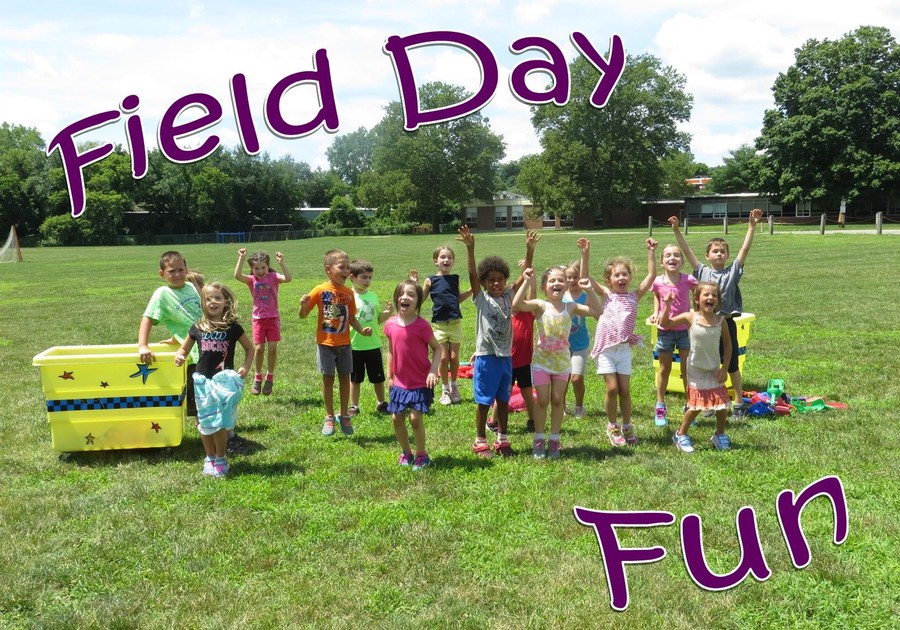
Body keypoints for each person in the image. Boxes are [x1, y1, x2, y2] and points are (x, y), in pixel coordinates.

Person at [669, 208, 763, 415]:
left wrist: (752, 225)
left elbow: (745, 250)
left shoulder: (732, 272)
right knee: (706, 364)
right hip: (703, 326)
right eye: (715, 251)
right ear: (707, 255)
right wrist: (676, 230)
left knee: (731, 364)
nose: (719, 254)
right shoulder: (701, 271)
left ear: (727, 255)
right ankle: (707, 401)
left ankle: (738, 402)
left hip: (725, 324)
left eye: (723, 251)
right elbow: (687, 252)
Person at [457, 226, 535, 457]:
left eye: (500, 279)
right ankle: (480, 440)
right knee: (484, 401)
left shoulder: (510, 295)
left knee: (503, 399)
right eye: (490, 280)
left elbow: (525, 275)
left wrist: (529, 250)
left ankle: (502, 439)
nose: (496, 284)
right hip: (486, 358)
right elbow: (471, 275)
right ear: (483, 283)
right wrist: (471, 249)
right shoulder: (481, 298)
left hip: (505, 358)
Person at [513, 259, 602, 459]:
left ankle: (554, 439)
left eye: (561, 280)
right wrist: (527, 281)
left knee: (557, 399)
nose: (557, 283)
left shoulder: (570, 307)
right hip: (541, 363)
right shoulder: (539, 305)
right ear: (545, 286)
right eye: (552, 280)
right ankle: (538, 438)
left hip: (562, 364)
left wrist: (590, 291)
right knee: (543, 400)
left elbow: (598, 311)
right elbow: (516, 304)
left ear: (566, 285)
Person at [174, 282, 254, 477]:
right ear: (203, 302)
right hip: (202, 383)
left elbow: (250, 348)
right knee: (205, 423)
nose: (212, 302)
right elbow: (185, 348)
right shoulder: (197, 327)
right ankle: (209, 457)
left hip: (224, 383)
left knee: (220, 423)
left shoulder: (233, 328)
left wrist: (246, 366)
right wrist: (180, 355)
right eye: (208, 298)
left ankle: (220, 458)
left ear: (225, 301)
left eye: (217, 298)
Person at [590, 239, 658, 447]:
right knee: (612, 389)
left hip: (624, 350)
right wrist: (585, 255)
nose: (621, 278)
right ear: (609, 281)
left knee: (625, 390)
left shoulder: (634, 296)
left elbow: (651, 276)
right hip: (606, 349)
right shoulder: (607, 295)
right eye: (616, 275)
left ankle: (627, 425)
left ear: (629, 278)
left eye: (624, 274)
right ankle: (612, 425)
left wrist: (650, 251)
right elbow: (586, 279)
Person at [299, 249, 372, 436]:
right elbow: (303, 315)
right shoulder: (320, 290)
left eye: (348, 267)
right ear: (328, 269)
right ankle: (329, 416)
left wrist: (361, 330)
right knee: (328, 380)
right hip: (326, 344)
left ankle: (344, 415)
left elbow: (352, 319)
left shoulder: (348, 293)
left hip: (345, 344)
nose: (346, 271)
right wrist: (303, 305)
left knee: (345, 379)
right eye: (342, 267)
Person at [658, 282, 733, 452]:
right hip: (696, 370)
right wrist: (668, 305)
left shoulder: (721, 321)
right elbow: (666, 324)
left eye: (714, 295)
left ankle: (719, 434)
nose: (710, 298)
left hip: (714, 369)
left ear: (718, 300)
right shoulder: (690, 317)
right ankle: (680, 434)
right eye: (706, 295)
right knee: (696, 406)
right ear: (697, 299)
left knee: (721, 406)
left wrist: (724, 368)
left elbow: (728, 346)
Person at [383, 279, 443, 471]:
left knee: (415, 419)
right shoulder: (391, 324)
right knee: (396, 418)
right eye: (401, 293)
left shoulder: (422, 326)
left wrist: (433, 370)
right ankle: (406, 453)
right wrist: (389, 375)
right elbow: (391, 350)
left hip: (419, 381)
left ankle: (422, 455)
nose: (405, 297)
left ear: (418, 302)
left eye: (410, 294)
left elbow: (438, 348)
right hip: (400, 381)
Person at [409, 245, 471, 405]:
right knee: (443, 358)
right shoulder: (431, 280)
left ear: (453, 261)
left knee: (454, 357)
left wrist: (471, 291)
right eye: (442, 257)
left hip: (455, 323)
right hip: (439, 325)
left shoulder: (455, 278)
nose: (446, 260)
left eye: (449, 257)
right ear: (435, 261)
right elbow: (420, 300)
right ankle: (444, 390)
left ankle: (454, 386)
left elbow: (457, 298)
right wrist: (415, 286)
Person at [488, 255, 540, 434]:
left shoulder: (528, 315)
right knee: (504, 393)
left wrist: (530, 274)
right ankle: (493, 421)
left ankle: (532, 419)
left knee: (527, 390)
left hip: (524, 362)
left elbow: (532, 294)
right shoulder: (505, 317)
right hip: (507, 362)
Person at [649, 244, 698, 426]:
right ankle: (660, 405)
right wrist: (656, 312)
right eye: (668, 256)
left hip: (685, 331)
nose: (672, 258)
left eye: (676, 255)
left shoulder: (689, 280)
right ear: (662, 262)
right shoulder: (658, 281)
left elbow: (698, 294)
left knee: (687, 370)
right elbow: (656, 295)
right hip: (665, 331)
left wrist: (698, 312)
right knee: (664, 369)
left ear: (682, 261)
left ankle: (689, 406)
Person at [234, 248, 292, 395]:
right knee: (259, 349)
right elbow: (237, 275)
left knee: (272, 348)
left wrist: (282, 262)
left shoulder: (273, 276)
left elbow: (288, 278)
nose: (260, 271)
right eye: (256, 268)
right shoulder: (252, 280)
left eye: (263, 267)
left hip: (273, 318)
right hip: (258, 319)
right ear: (252, 269)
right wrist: (241, 257)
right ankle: (258, 377)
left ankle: (270, 378)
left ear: (267, 266)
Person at [349, 259, 393, 417]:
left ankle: (381, 403)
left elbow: (377, 319)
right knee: (355, 378)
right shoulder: (349, 296)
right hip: (355, 345)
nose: (368, 280)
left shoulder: (373, 296)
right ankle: (354, 406)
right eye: (364, 277)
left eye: (370, 277)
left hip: (373, 344)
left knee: (378, 378)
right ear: (352, 277)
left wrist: (387, 313)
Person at [562, 238, 596, 418]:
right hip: (562, 345)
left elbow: (585, 278)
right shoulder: (560, 296)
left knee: (576, 377)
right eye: (568, 277)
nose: (572, 280)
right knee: (563, 379)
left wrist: (585, 254)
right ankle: (562, 405)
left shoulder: (584, 297)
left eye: (574, 277)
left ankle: (579, 406)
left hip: (580, 344)